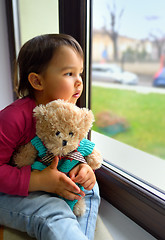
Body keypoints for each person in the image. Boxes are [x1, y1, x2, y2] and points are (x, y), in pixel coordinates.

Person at [0, 34, 100, 240]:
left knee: (89, 189)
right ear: (37, 81)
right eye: (69, 73)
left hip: (47, 181)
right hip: (9, 190)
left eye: (80, 73)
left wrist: (82, 167)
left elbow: (73, 149)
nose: (79, 81)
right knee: (53, 209)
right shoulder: (13, 118)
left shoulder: (69, 114)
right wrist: (38, 181)